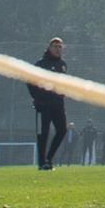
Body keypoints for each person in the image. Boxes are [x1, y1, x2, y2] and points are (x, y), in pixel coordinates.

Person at [28, 37, 70, 170]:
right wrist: (36, 98)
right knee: (43, 133)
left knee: (62, 130)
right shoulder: (40, 64)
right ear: (49, 48)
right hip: (43, 105)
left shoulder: (62, 65)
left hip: (58, 104)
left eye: (60, 47)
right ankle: (42, 163)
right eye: (55, 46)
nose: (58, 49)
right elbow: (30, 81)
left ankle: (49, 159)